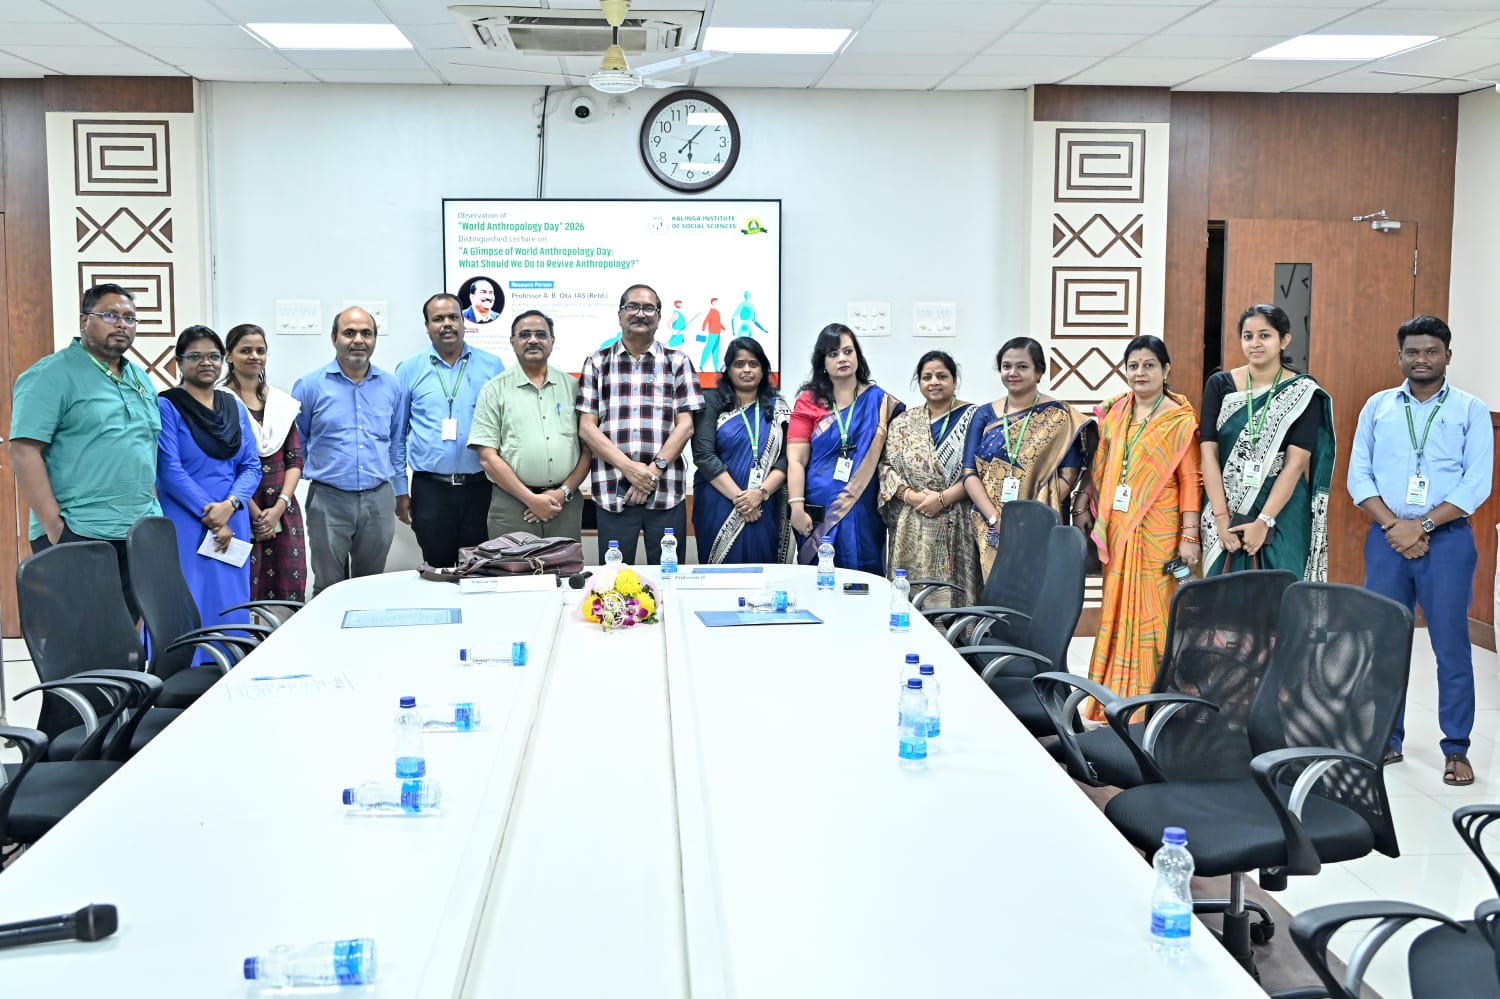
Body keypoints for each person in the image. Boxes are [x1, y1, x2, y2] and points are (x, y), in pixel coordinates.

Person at [1348, 315, 1492, 786]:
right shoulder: (1378, 406)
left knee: (1451, 645)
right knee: (1385, 641)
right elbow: (1358, 477)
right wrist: (1396, 527)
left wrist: (1423, 525)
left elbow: (1476, 484)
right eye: (1412, 352)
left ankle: (1457, 748)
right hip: (1387, 538)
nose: (1422, 359)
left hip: (1447, 540)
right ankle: (1386, 738)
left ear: (1448, 355)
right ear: (1400, 356)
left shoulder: (1471, 410)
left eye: (1431, 351)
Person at [9, 283, 161, 618]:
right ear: (83, 320)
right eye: (110, 315)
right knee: (81, 634)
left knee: (128, 631)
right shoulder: (51, 374)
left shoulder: (140, 378)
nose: (121, 324)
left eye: (130, 318)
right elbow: (23, 450)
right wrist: (56, 528)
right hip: (79, 530)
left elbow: (145, 447)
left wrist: (151, 508)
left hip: (137, 529)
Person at [1080, 335, 1202, 720]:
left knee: (1155, 613)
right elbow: (1100, 465)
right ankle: (1112, 698)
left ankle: (1153, 705)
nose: (1140, 372)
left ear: (1166, 370)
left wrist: (1189, 536)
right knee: (1116, 609)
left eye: (1149, 365)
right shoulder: (1117, 411)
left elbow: (1191, 480)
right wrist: (1085, 503)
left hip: (1160, 530)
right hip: (1119, 528)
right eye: (1133, 366)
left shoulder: (1180, 421)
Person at [1200, 305, 1336, 579]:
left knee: (1281, 590)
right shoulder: (1219, 384)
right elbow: (1208, 454)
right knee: (1223, 593)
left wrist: (1264, 521)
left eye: (1264, 335)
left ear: (1284, 340)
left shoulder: (1302, 392)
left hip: (1283, 509)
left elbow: (1296, 464)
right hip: (1224, 503)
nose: (1255, 343)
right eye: (1248, 336)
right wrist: (1221, 519)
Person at [577, 284, 704, 564]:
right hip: (613, 491)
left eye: (648, 308)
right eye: (632, 307)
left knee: (669, 577)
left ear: (658, 316)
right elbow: (587, 427)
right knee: (614, 580)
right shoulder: (597, 363)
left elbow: (685, 426)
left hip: (666, 490)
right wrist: (630, 469)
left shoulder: (677, 362)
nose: (640, 314)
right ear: (620, 314)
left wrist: (652, 473)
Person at [292, 306, 405, 597]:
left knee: (370, 586)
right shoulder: (309, 386)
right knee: (328, 586)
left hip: (378, 498)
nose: (358, 340)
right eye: (349, 333)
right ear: (334, 338)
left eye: (366, 333)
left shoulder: (391, 386)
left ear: (375, 339)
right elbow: (296, 443)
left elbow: (395, 442)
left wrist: (398, 489)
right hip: (328, 499)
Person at [156, 326, 262, 636]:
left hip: (233, 517)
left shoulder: (233, 406)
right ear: (179, 362)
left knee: (230, 599)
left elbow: (251, 465)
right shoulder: (167, 406)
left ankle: (230, 657)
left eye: (213, 356)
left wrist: (229, 506)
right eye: (195, 356)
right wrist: (213, 515)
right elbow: (170, 470)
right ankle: (187, 661)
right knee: (188, 596)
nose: (206, 363)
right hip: (187, 519)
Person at [962, 337, 1094, 580]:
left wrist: (1029, 518)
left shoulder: (1060, 416)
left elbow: (1068, 476)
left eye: (1022, 366)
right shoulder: (983, 414)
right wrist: (995, 518)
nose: (1013, 373)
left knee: (1037, 591)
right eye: (1006, 366)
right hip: (988, 524)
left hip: (1041, 523)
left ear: (1039, 372)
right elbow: (969, 473)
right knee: (993, 592)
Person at [394, 294, 507, 566]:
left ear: (463, 322)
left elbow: (505, 430)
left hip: (482, 488)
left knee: (480, 571)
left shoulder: (492, 366)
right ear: (427, 326)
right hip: (430, 490)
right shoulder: (409, 369)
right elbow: (396, 435)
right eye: (438, 319)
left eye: (453, 317)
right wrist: (399, 490)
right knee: (437, 571)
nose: (447, 324)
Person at [786, 323, 904, 573]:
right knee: (819, 574)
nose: (842, 358)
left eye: (848, 351)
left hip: (864, 504)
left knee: (864, 576)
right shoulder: (808, 402)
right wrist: (796, 506)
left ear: (858, 356)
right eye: (833, 353)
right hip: (818, 504)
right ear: (822, 362)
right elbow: (796, 460)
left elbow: (894, 458)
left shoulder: (881, 402)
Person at [470, 309, 591, 542]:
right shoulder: (493, 390)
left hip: (564, 504)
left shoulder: (574, 388)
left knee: (563, 564)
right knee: (513, 565)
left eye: (541, 334)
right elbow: (487, 457)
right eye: (525, 334)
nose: (533, 340)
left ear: (552, 341)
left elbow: (587, 449)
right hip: (512, 503)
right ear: (512, 342)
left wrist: (563, 492)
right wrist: (531, 499)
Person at [879, 350, 979, 607]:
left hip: (956, 519)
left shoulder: (974, 418)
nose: (934, 382)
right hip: (911, 521)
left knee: (953, 600)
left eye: (941, 376)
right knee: (909, 598)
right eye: (927, 377)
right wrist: (910, 496)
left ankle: (955, 632)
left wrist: (943, 499)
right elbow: (886, 467)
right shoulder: (902, 422)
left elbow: (980, 471)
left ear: (954, 380)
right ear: (919, 382)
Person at [222, 323, 307, 601]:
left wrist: (279, 507)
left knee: (287, 588)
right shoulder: (220, 402)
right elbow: (225, 466)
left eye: (260, 350)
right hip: (239, 506)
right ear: (229, 355)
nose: (254, 356)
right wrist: (256, 514)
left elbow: (295, 459)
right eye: (245, 350)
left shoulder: (281, 403)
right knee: (244, 588)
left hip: (283, 507)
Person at [691, 336, 791, 564]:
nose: (747, 370)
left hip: (764, 502)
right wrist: (742, 501)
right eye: (739, 364)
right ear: (728, 370)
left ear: (763, 370)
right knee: (720, 575)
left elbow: (788, 458)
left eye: (753, 364)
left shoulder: (778, 407)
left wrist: (760, 494)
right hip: (718, 501)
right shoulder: (711, 401)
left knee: (764, 573)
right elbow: (704, 455)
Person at [699, 297, 725, 372]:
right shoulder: (711, 311)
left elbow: (718, 322)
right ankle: (701, 365)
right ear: (712, 303)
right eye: (715, 302)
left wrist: (723, 328)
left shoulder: (717, 312)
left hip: (718, 333)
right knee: (708, 348)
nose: (716, 303)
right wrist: (703, 330)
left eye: (717, 302)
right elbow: (705, 321)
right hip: (712, 333)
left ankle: (716, 368)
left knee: (716, 350)